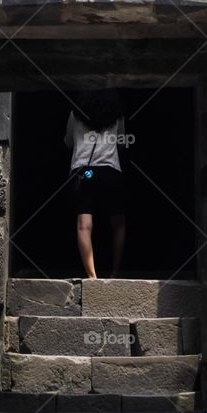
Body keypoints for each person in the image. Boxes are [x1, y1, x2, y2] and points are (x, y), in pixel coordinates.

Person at [64, 89, 127, 279]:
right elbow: (121, 143)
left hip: (85, 173)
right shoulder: (118, 116)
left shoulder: (75, 114)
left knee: (84, 225)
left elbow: (68, 142)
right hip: (110, 172)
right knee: (118, 224)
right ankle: (115, 273)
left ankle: (92, 276)